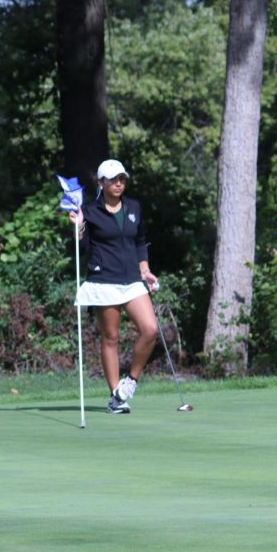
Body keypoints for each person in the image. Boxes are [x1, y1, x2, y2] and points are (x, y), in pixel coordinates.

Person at [69, 160, 159, 415]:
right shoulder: (89, 210)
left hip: (132, 279)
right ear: (101, 183)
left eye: (122, 179)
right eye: (113, 179)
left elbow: (140, 240)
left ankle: (130, 381)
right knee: (111, 337)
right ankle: (115, 397)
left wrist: (145, 269)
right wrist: (78, 229)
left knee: (150, 330)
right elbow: (82, 248)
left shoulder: (134, 207)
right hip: (103, 279)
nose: (119, 183)